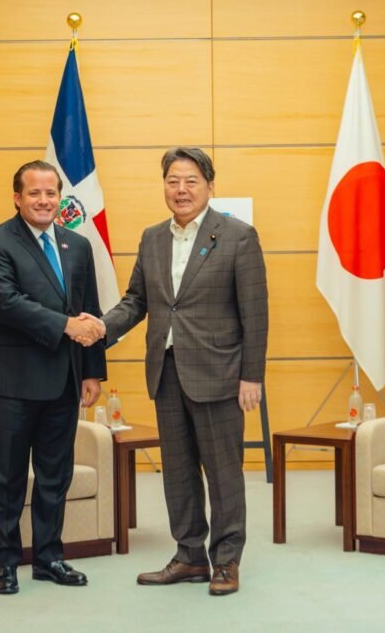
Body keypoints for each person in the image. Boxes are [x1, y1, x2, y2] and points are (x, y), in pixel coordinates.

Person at [98, 147, 268, 596]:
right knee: (177, 471)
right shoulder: (153, 238)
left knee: (223, 472)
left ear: (210, 186)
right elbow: (137, 300)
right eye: (173, 181)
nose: (181, 189)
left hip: (219, 372)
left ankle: (226, 560)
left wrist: (252, 376)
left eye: (191, 181)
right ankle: (189, 555)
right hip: (167, 370)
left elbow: (255, 313)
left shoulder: (237, 236)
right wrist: (101, 327)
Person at [0, 160, 106, 595]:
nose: (44, 201)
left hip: (64, 381)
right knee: (5, 478)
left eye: (51, 193)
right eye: (34, 193)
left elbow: (89, 309)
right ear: (17, 198)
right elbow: (7, 304)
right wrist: (66, 326)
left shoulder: (77, 245)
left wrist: (92, 372)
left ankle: (49, 558)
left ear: (60, 197)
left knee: (54, 476)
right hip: (10, 383)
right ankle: (5, 562)